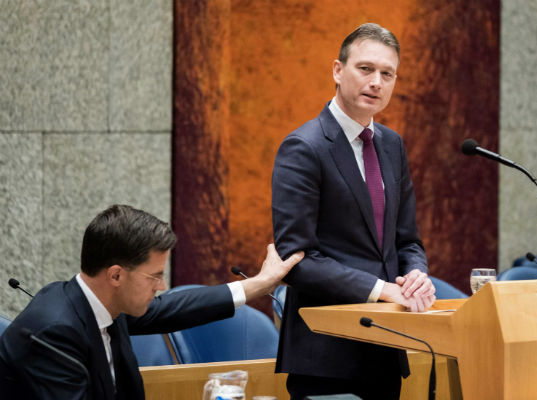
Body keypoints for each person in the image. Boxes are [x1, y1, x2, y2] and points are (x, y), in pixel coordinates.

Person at [271, 23, 436, 399]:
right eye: (365, 69)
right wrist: (382, 291)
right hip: (326, 354)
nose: (376, 82)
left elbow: (407, 240)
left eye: (387, 74)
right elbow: (298, 259)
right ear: (337, 70)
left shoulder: (392, 145)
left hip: (385, 347)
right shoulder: (303, 147)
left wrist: (416, 275)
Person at [0, 204, 303, 400]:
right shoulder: (53, 334)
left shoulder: (102, 302)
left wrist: (258, 285)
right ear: (116, 275)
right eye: (154, 276)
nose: (162, 286)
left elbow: (174, 309)